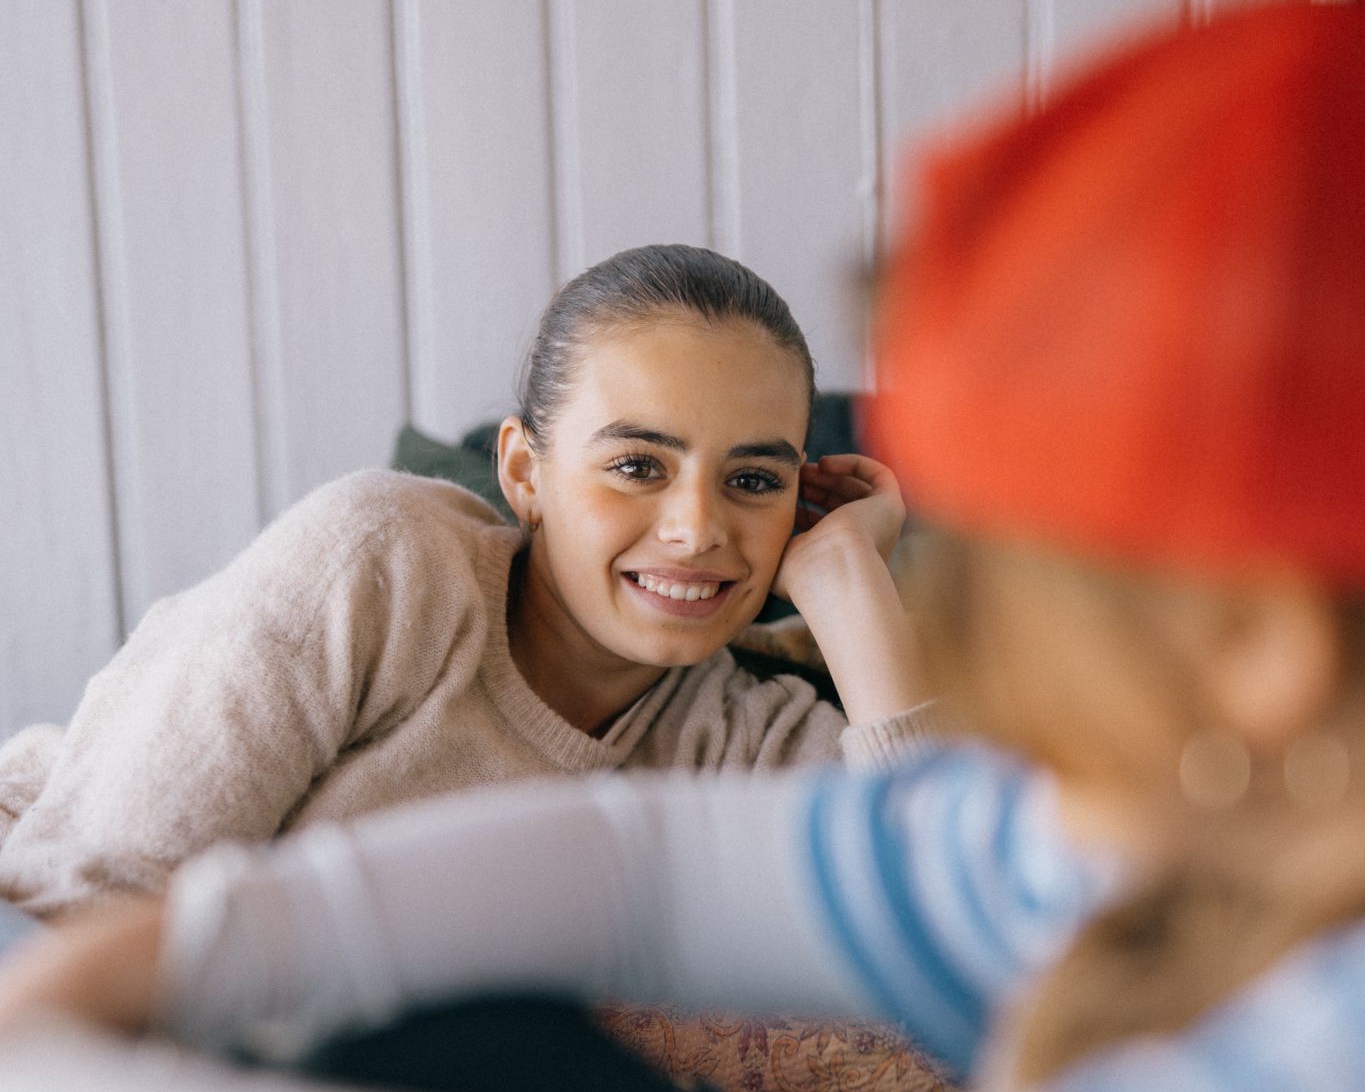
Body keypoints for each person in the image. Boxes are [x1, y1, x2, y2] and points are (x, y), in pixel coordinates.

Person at [4, 0, 1365, 1092]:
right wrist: (157, 977)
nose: (698, 531)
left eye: (1022, 585)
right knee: (470, 1064)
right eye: (636, 467)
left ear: (1258, 652)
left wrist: (863, 593)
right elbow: (644, 861)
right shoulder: (1182, 826)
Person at [0, 244, 925, 924]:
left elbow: (957, 889)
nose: (697, 529)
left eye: (754, 481)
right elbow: (85, 895)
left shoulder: (734, 737)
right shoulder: (380, 562)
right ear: (524, 474)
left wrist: (848, 580)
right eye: (638, 466)